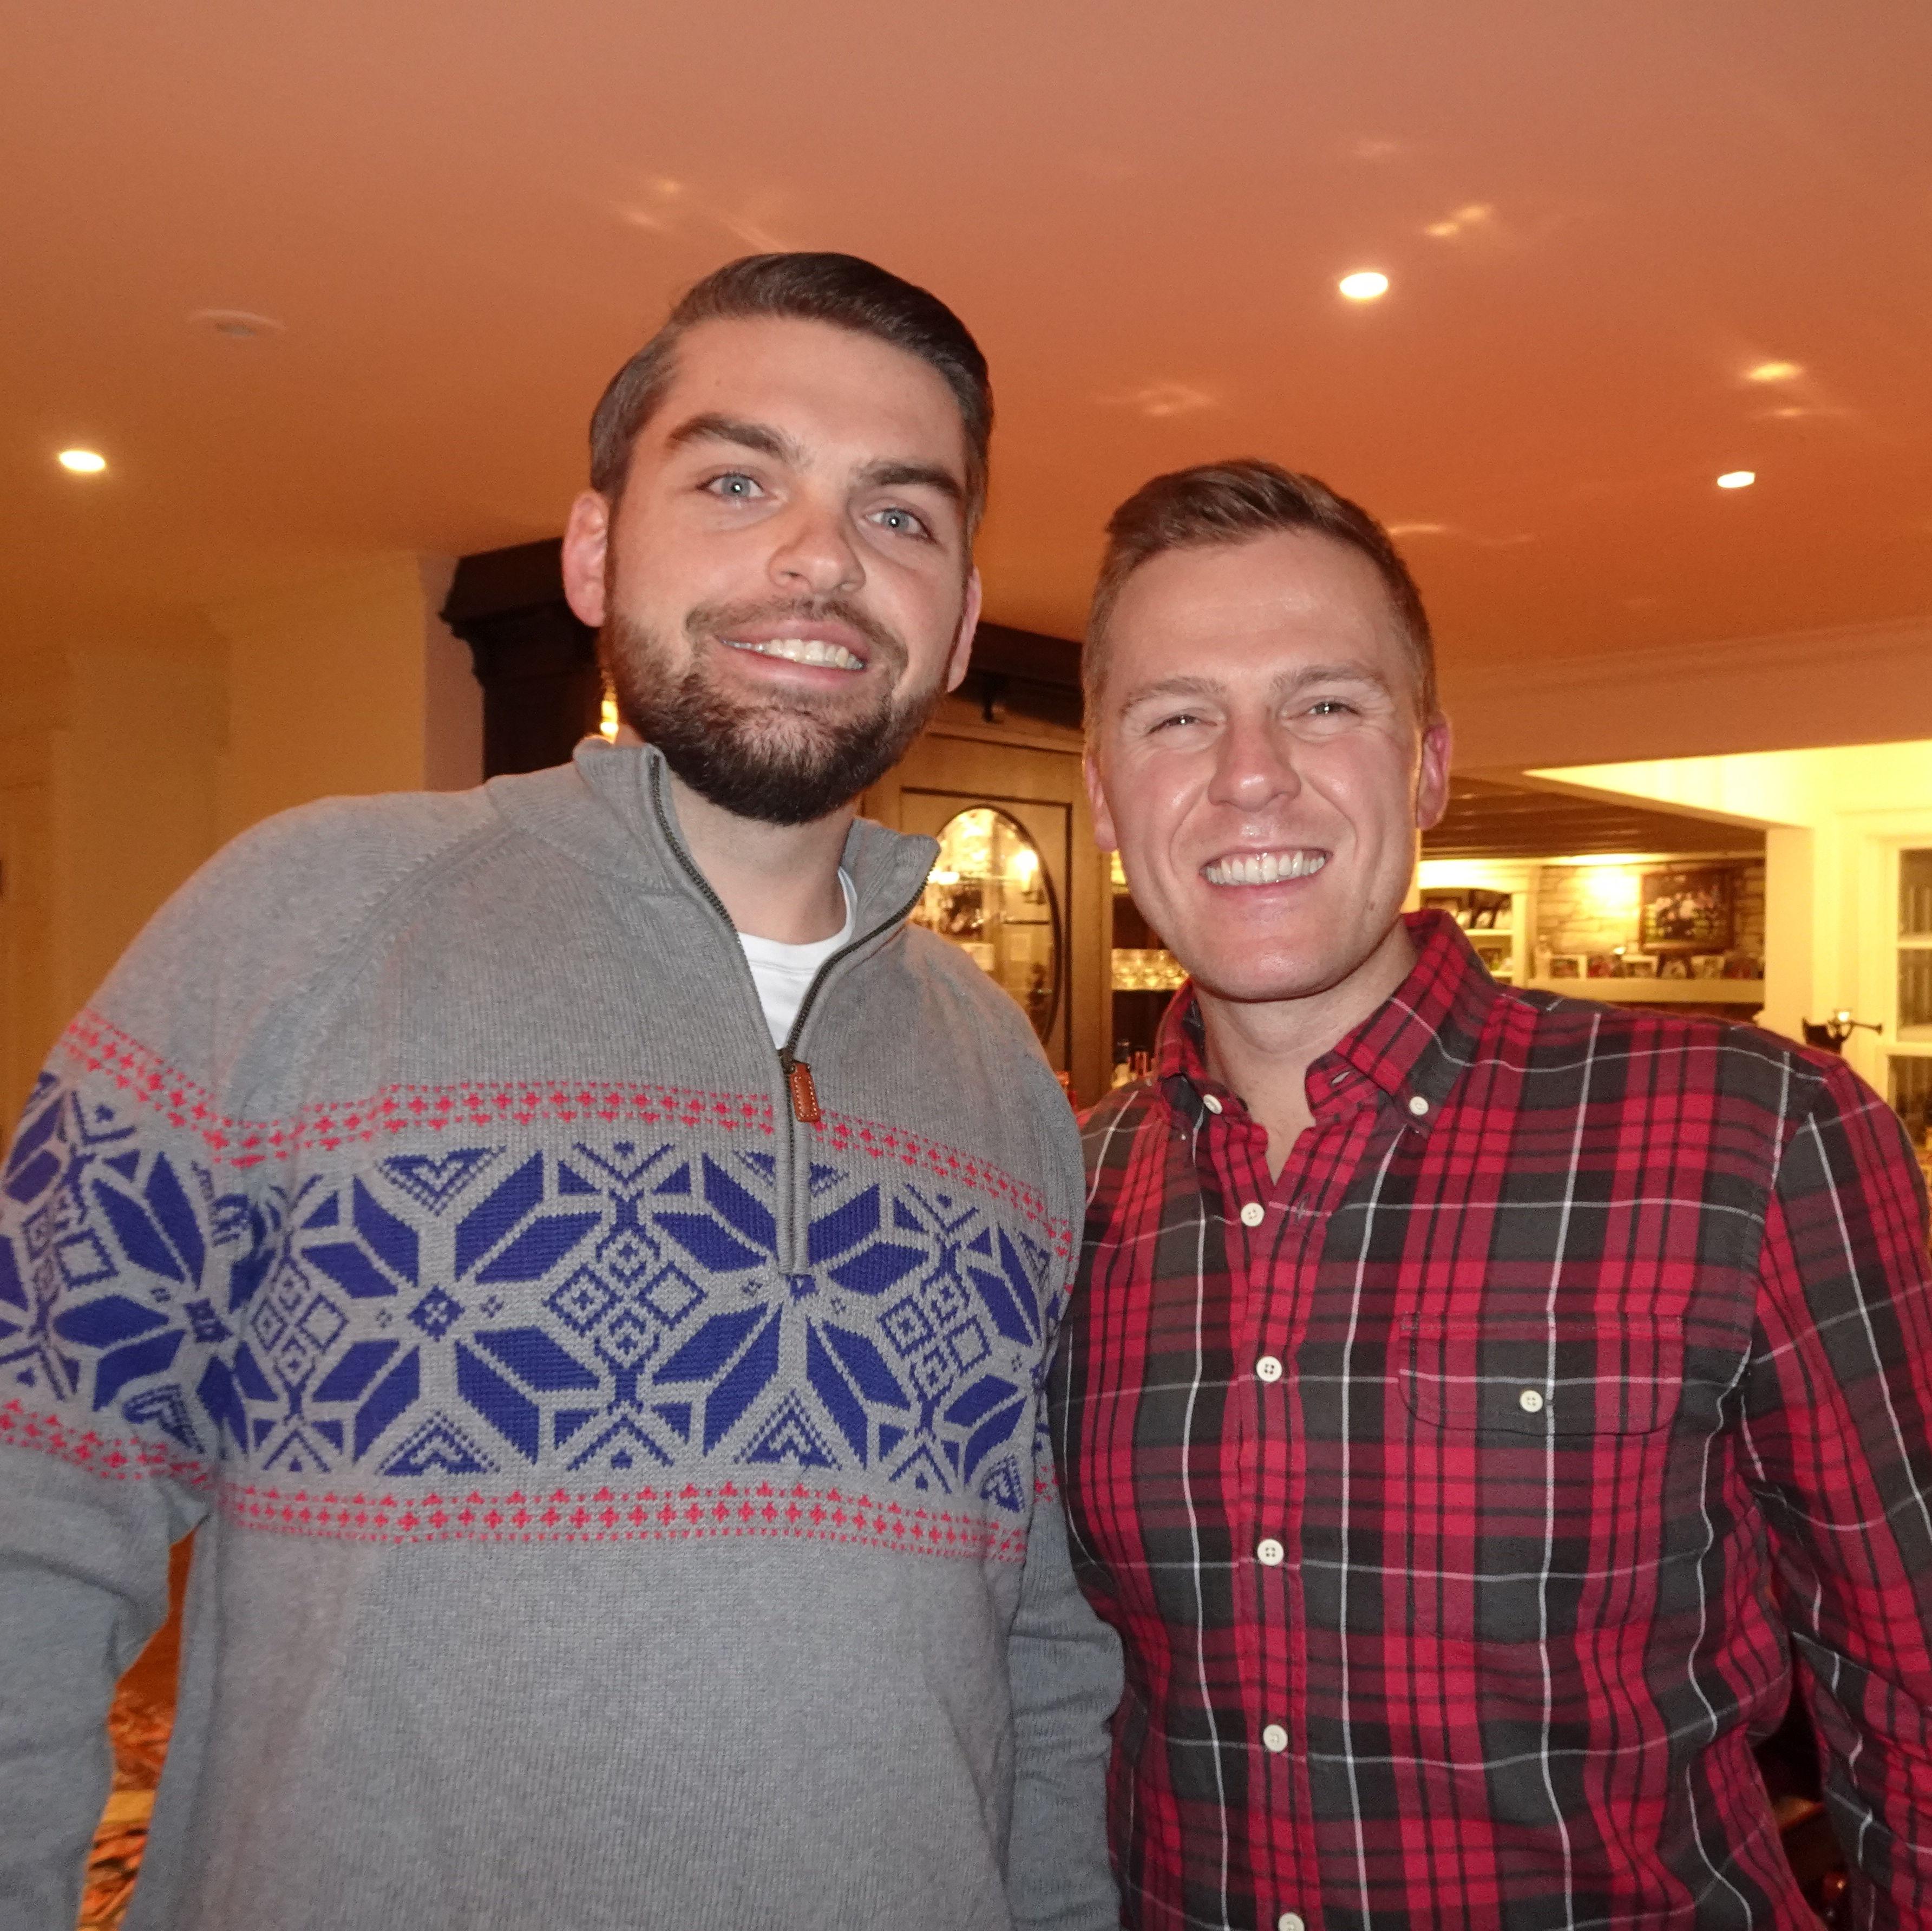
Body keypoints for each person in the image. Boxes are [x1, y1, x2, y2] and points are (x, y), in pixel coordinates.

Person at [0, 252, 1121, 1930]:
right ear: (594, 552)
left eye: (900, 515)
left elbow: (1040, 1645)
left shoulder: (1006, 1088)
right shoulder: (294, 922)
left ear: (955, 622)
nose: (821, 557)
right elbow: (27, 1508)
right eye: (736, 482)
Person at [1052, 457, 1932, 1928]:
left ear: (1428, 767)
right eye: (1177, 717)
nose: (1250, 772)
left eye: (1325, 705)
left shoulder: (1750, 1135)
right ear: (1101, 796)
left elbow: (1915, 1699)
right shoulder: (1057, 1200)